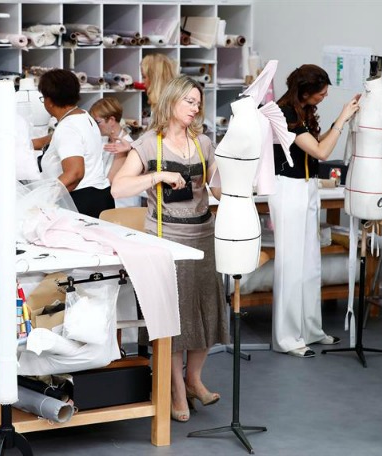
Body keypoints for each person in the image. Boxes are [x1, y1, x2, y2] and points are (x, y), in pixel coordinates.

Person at [111, 75, 228, 422]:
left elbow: (218, 189)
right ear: (172, 101)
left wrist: (241, 173)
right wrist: (157, 177)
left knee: (206, 310)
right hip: (166, 239)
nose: (196, 108)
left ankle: (194, 380)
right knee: (171, 317)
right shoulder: (148, 144)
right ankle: (175, 388)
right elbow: (118, 188)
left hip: (203, 235)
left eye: (198, 102)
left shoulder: (204, 143)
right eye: (189, 101)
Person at [269, 64, 360, 358]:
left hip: (306, 187)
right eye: (320, 93)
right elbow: (321, 152)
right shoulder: (285, 113)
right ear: (305, 91)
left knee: (310, 263)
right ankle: (286, 337)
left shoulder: (302, 110)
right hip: (288, 189)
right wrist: (342, 120)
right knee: (291, 264)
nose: (323, 97)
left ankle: (310, 329)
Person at [32, 69, 114, 218]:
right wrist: (25, 144)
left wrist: (42, 200)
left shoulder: (67, 128)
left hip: (81, 201)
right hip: (99, 196)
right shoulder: (82, 115)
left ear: (49, 101)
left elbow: (75, 173)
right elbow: (57, 139)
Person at [104, 53, 177, 156]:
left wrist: (132, 147)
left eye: (144, 77)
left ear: (155, 79)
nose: (143, 83)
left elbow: (160, 146)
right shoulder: (165, 105)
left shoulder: (167, 109)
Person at [89, 97, 140, 208]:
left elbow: (111, 181)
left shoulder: (126, 146)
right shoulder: (105, 140)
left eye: (97, 122)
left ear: (111, 120)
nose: (94, 126)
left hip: (122, 207)